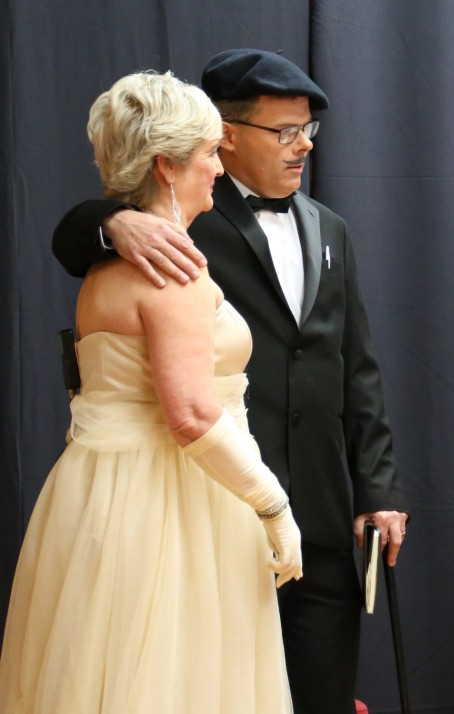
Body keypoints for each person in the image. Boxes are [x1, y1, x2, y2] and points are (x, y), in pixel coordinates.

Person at [51, 50, 409, 713]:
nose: (304, 145)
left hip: (321, 510)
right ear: (228, 134)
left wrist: (377, 488)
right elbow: (72, 238)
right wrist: (111, 222)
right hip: (211, 505)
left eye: (308, 130)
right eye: (285, 131)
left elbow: (357, 366)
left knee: (321, 692)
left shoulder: (329, 227)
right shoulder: (177, 226)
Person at [0, 71, 302, 713]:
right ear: (167, 165)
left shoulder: (101, 271)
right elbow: (190, 413)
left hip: (99, 497)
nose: (218, 168)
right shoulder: (175, 273)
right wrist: (274, 507)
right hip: (174, 505)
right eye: (209, 153)